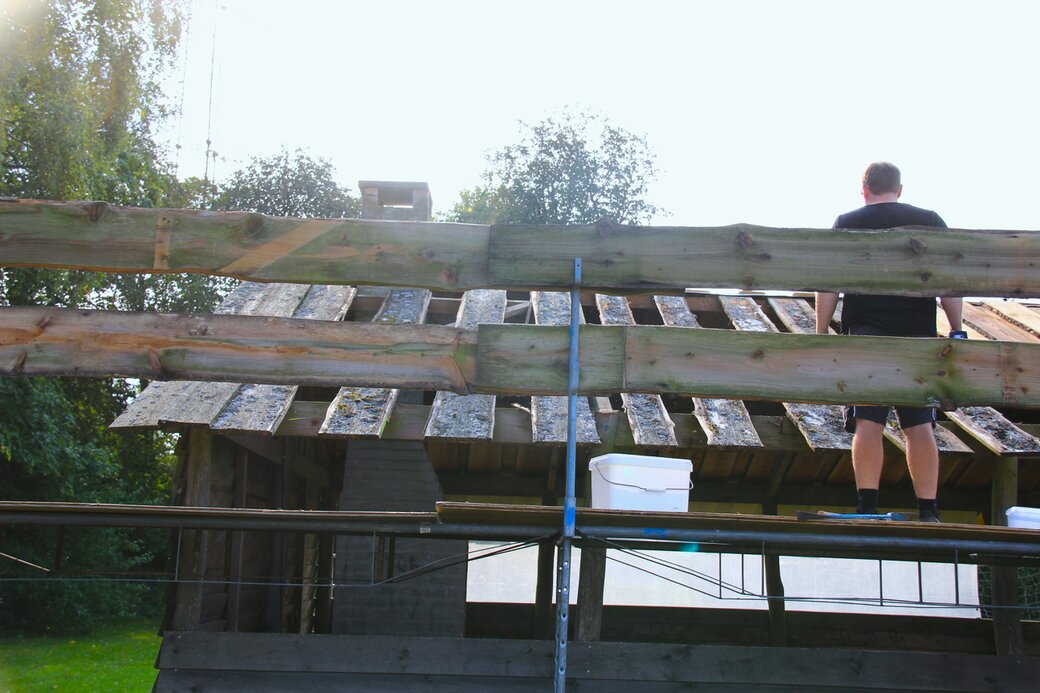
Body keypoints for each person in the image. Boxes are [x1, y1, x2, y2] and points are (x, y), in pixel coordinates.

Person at [815, 162, 964, 523]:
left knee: (868, 421)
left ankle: (867, 506)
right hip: (918, 337)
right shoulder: (929, 220)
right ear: (899, 189)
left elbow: (827, 282)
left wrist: (821, 333)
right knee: (919, 425)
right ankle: (928, 510)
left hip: (867, 336)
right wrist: (956, 329)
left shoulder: (847, 222)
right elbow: (950, 282)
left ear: (863, 188)